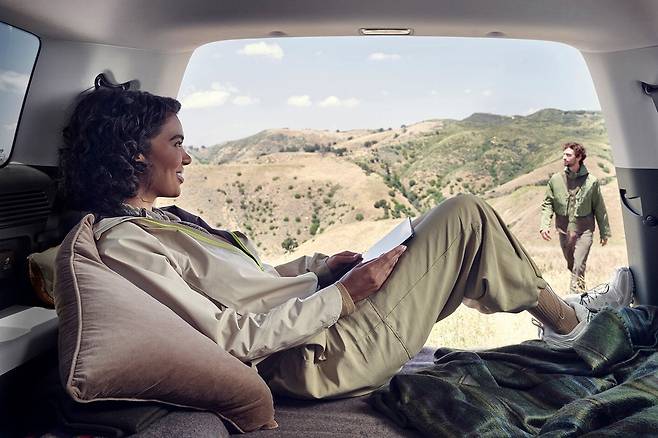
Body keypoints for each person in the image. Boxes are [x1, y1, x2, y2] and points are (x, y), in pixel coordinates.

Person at [59, 88, 632, 400]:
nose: (187, 157)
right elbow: (230, 339)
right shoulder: (125, 246)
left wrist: (321, 269)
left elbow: (251, 287)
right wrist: (345, 295)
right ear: (135, 152)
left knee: (452, 223)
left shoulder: (161, 222)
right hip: (316, 360)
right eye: (176, 142)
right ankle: (570, 324)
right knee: (465, 214)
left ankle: (558, 315)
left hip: (320, 329)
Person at [540, 142, 611, 292]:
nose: (564, 157)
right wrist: (544, 225)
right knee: (572, 265)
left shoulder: (591, 182)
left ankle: (573, 298)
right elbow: (548, 204)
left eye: (568, 155)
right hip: (564, 231)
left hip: (584, 231)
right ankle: (582, 295)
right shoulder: (555, 180)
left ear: (578, 157)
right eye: (564, 154)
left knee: (578, 265)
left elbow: (599, 208)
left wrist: (604, 232)